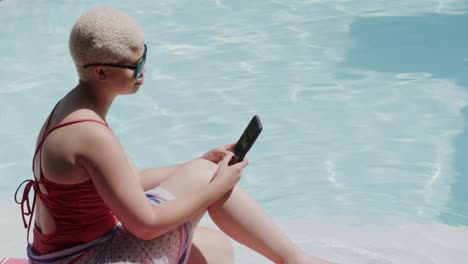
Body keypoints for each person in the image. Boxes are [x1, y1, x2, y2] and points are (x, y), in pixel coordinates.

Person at [15, 6, 332, 264]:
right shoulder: (90, 134)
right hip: (85, 258)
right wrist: (216, 185)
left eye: (145, 58)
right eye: (136, 67)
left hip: (63, 255)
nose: (144, 72)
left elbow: (132, 180)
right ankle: (295, 260)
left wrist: (200, 160)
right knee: (205, 180)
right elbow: (146, 225)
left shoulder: (72, 109)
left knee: (217, 248)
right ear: (101, 72)